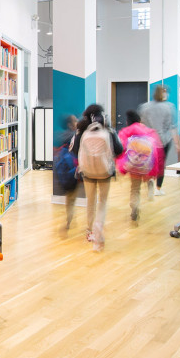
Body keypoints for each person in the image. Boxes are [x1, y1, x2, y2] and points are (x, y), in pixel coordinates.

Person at [69, 104, 123, 250]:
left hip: (87, 171)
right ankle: (99, 227)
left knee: (90, 201)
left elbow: (73, 150)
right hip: (105, 171)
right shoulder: (107, 128)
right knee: (102, 201)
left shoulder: (81, 129)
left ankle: (90, 230)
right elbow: (119, 149)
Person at [116, 110, 165, 222]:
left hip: (133, 165)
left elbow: (120, 147)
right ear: (140, 120)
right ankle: (150, 184)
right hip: (147, 164)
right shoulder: (149, 131)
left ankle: (134, 207)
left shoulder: (126, 131)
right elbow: (157, 150)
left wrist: (120, 165)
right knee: (147, 177)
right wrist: (158, 169)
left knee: (135, 189)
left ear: (128, 121)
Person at [139, 85, 179, 196]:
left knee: (149, 163)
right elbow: (172, 126)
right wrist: (177, 143)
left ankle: (150, 183)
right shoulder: (169, 107)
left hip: (148, 140)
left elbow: (142, 123)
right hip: (163, 140)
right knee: (161, 164)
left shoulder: (145, 107)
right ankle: (158, 188)